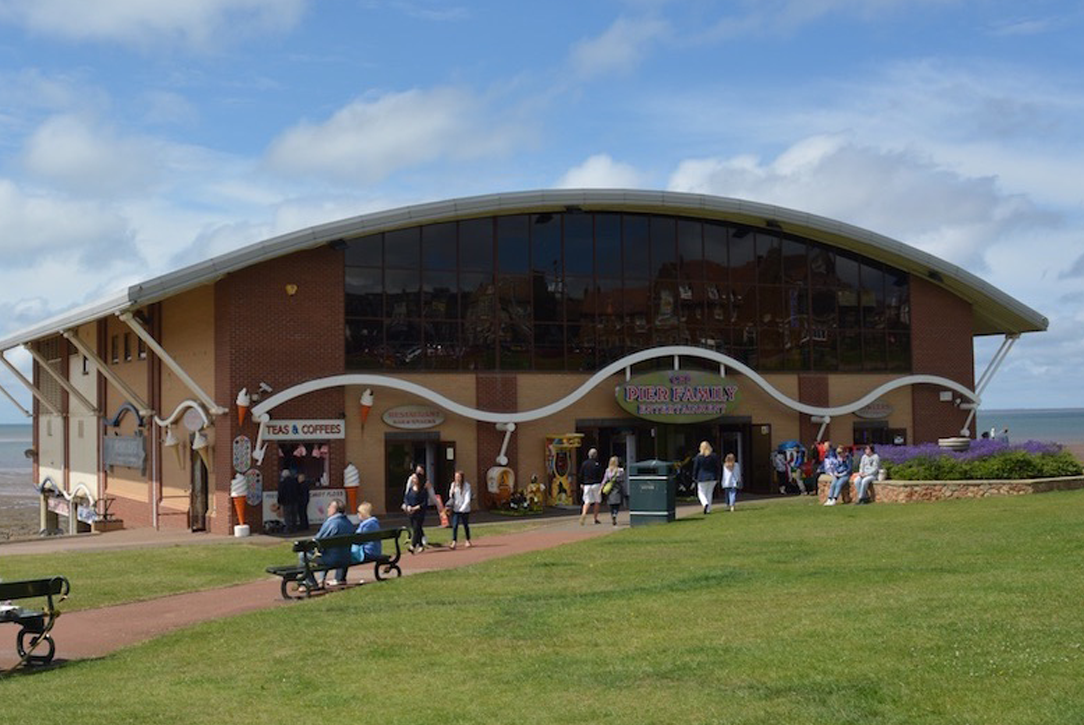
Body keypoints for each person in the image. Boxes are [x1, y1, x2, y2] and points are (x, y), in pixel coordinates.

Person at [298, 499, 355, 590]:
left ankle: (310, 583)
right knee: (326, 552)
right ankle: (324, 579)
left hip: (333, 559)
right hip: (347, 558)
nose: (328, 509)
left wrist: (308, 548)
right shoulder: (348, 523)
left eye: (329, 506)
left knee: (302, 555)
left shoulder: (331, 523)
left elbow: (316, 541)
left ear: (334, 509)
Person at [350, 501, 382, 583]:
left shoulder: (366, 525)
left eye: (359, 513)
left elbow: (357, 539)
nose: (358, 515)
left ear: (363, 513)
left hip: (367, 552)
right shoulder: (375, 523)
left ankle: (339, 578)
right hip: (376, 551)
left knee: (343, 555)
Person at [692, 440, 721, 514]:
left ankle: (705, 504)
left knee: (701, 492)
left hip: (702, 477)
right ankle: (708, 509)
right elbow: (718, 466)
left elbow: (696, 468)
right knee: (709, 493)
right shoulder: (714, 456)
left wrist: (694, 476)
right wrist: (718, 476)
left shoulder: (699, 457)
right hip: (712, 477)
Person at [403, 471, 428, 553]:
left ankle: (413, 546)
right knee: (417, 529)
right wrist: (408, 506)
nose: (413, 480)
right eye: (413, 478)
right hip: (411, 513)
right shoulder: (411, 489)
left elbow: (424, 503)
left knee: (416, 529)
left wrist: (416, 508)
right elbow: (406, 499)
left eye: (415, 478)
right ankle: (420, 545)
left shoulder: (423, 490)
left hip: (419, 513)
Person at [447, 470, 473, 549]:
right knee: (455, 525)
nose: (457, 479)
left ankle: (468, 540)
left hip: (464, 509)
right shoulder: (453, 485)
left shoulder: (467, 486)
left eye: (458, 477)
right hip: (456, 509)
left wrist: (463, 508)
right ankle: (454, 542)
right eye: (456, 477)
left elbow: (467, 499)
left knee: (465, 525)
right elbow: (451, 496)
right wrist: (451, 493)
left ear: (462, 478)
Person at [579, 448, 604, 525]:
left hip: (587, 484)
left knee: (587, 501)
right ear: (595, 455)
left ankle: (583, 514)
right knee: (597, 501)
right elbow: (600, 475)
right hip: (596, 484)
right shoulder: (597, 464)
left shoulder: (584, 464)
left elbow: (581, 474)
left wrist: (582, 483)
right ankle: (595, 518)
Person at [602, 456, 625, 526]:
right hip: (617, 487)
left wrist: (601, 487)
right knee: (617, 503)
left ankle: (612, 514)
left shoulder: (607, 470)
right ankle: (615, 513)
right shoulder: (620, 470)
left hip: (609, 488)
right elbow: (622, 479)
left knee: (610, 503)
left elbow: (604, 479)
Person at [277, 468, 300, 533]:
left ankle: (288, 529)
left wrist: (279, 502)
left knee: (287, 516)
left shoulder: (282, 483)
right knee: (294, 515)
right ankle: (294, 528)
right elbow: (298, 491)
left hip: (286, 502)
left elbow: (280, 493)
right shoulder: (295, 482)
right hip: (295, 501)